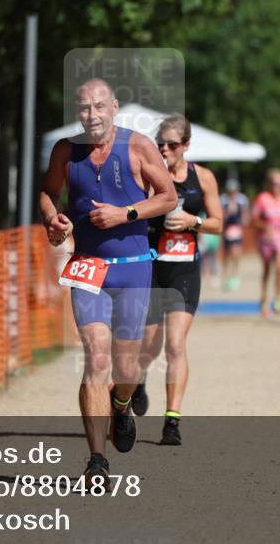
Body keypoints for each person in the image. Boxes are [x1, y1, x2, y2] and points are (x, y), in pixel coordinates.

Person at [40, 78, 177, 486]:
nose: (92, 115)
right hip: (88, 268)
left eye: (100, 106)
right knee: (96, 357)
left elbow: (167, 196)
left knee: (126, 366)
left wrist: (126, 214)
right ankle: (97, 460)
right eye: (84, 108)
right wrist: (53, 219)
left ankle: (121, 403)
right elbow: (48, 193)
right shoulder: (65, 151)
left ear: (114, 107)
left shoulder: (137, 146)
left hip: (133, 267)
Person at [131, 115, 222, 445]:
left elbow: (218, 223)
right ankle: (139, 380)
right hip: (154, 267)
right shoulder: (147, 175)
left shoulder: (204, 177)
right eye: (160, 144)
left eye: (171, 145)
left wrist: (193, 220)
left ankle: (172, 421)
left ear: (186, 146)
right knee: (149, 344)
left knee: (175, 344)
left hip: (184, 269)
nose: (165, 150)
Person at [252, 168, 280, 316]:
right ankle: (264, 300)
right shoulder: (263, 198)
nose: (278, 187)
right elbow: (254, 219)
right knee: (267, 270)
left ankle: (278, 300)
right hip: (266, 239)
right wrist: (265, 226)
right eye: (275, 183)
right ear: (270, 184)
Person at [220, 179, 249, 291]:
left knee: (236, 253)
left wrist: (244, 219)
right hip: (227, 230)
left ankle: (235, 275)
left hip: (237, 229)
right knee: (227, 254)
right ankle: (226, 276)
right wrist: (228, 213)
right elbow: (222, 216)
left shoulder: (242, 200)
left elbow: (246, 215)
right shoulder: (223, 200)